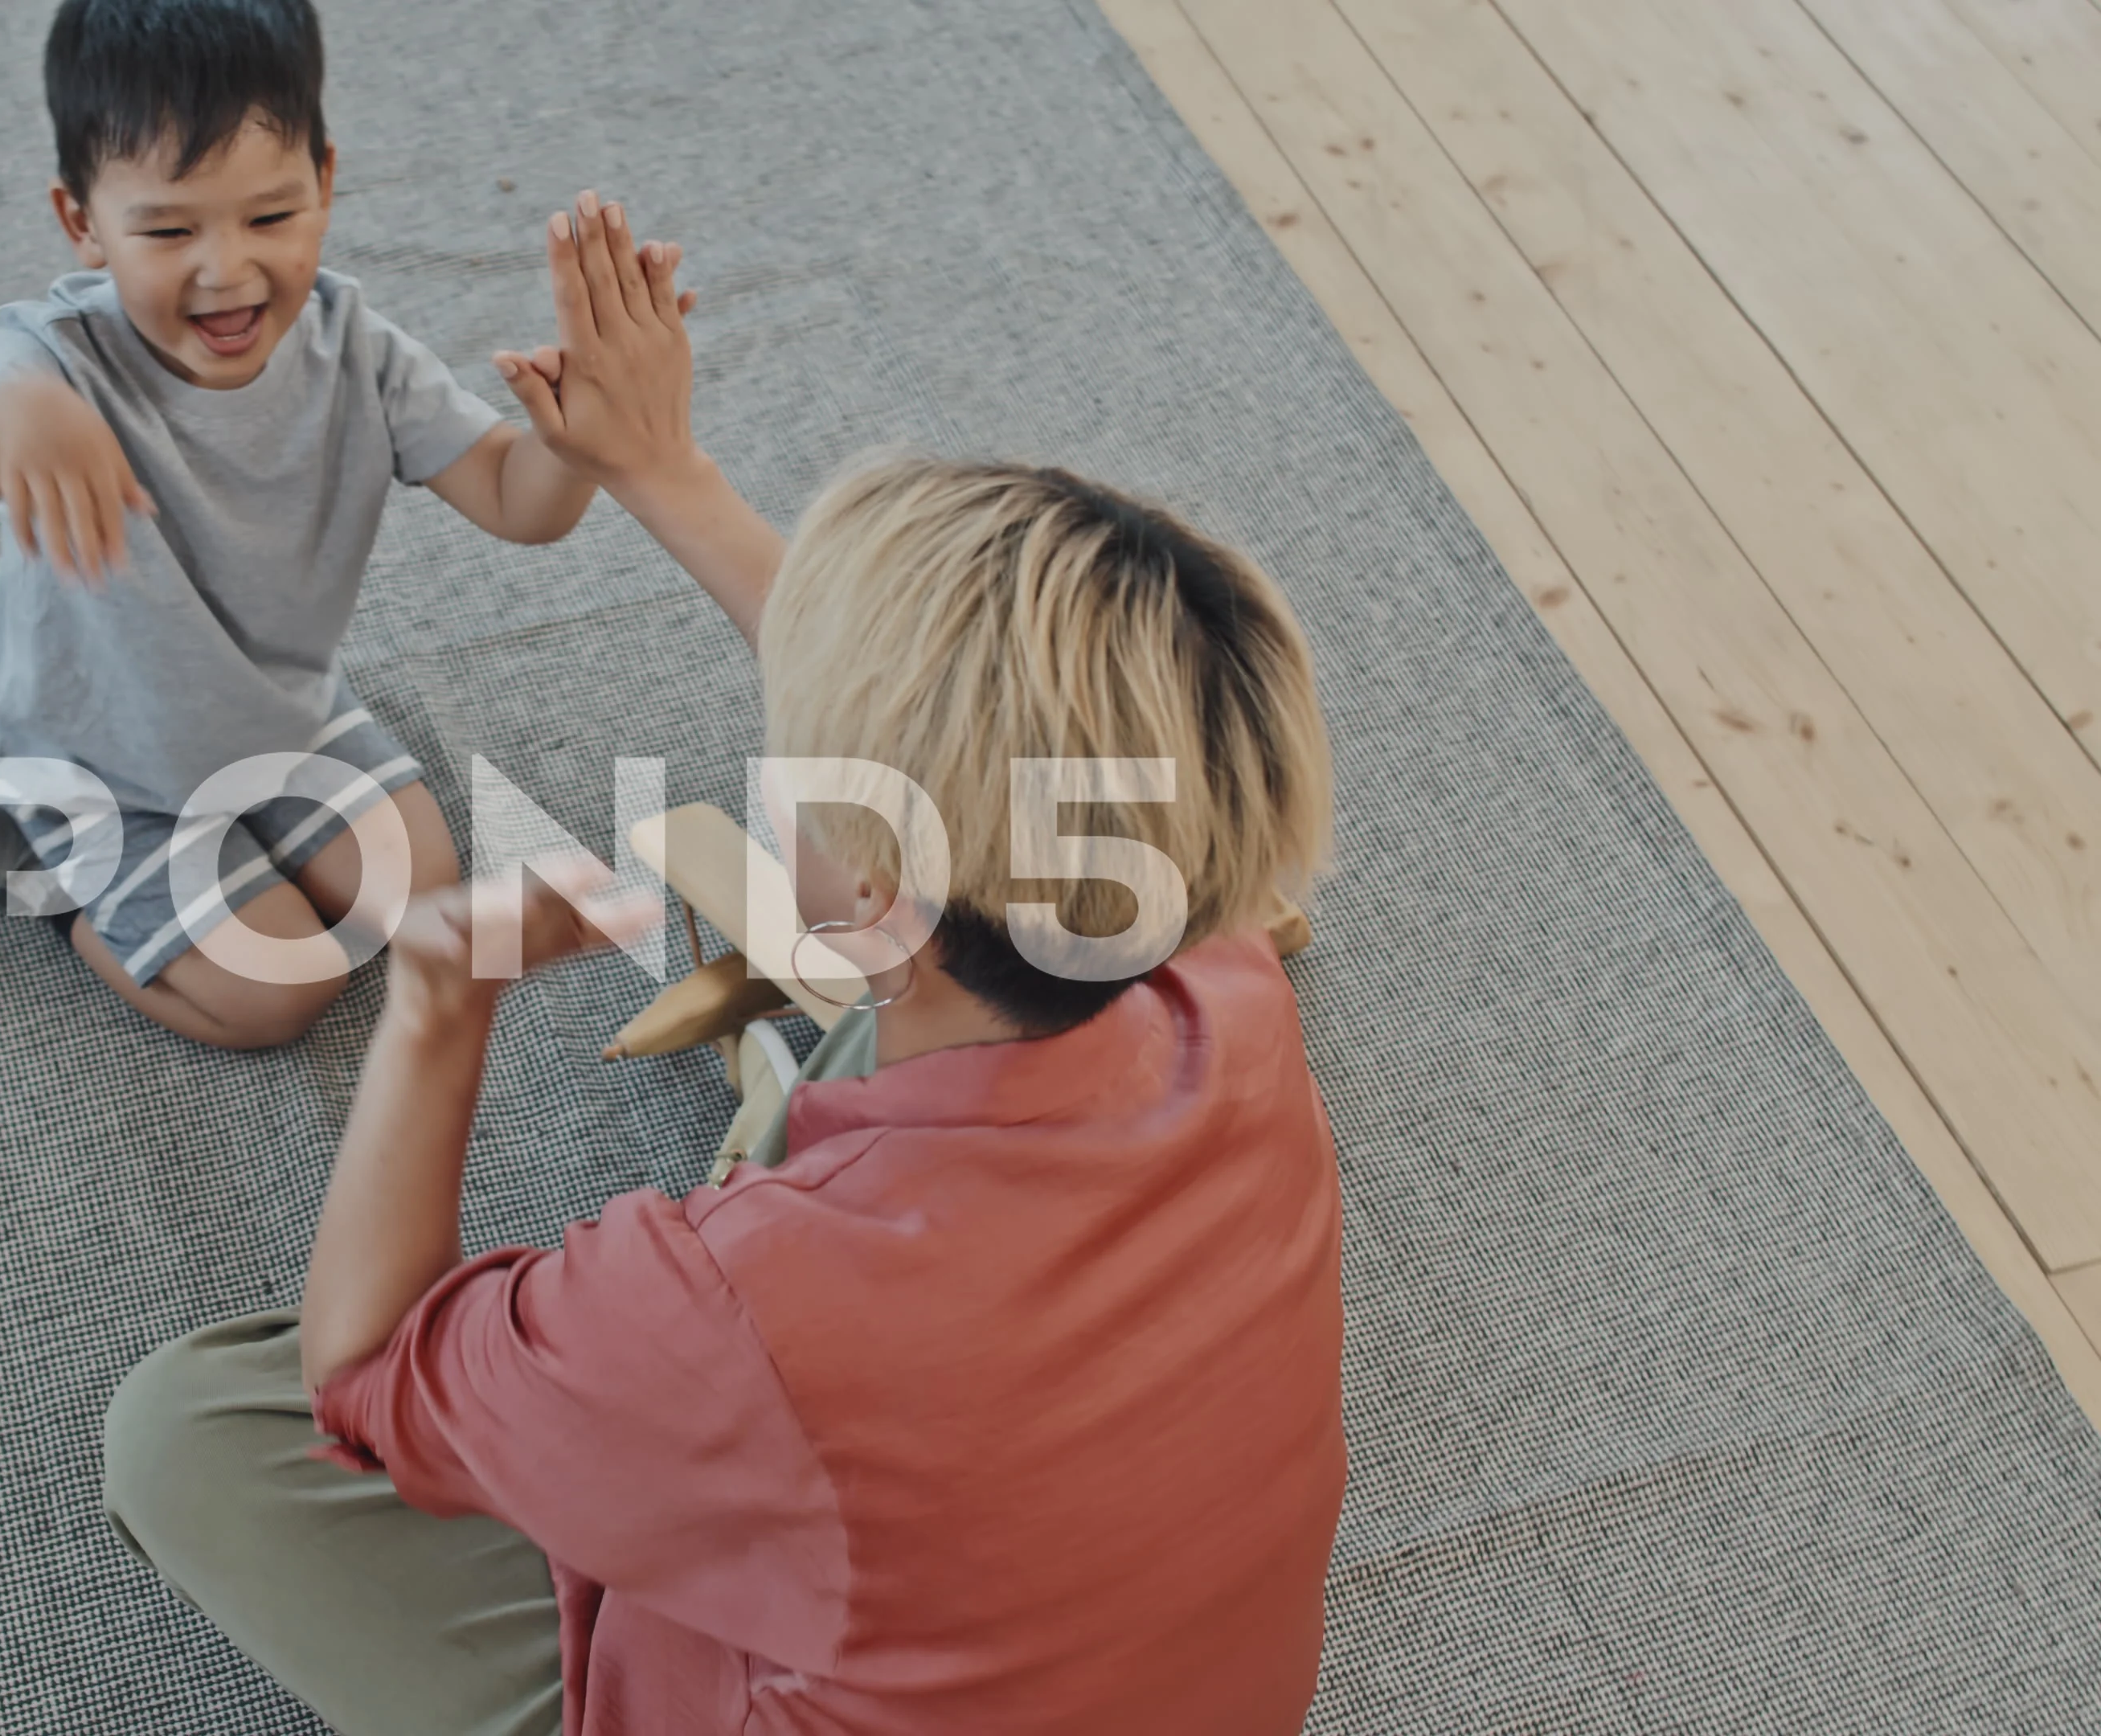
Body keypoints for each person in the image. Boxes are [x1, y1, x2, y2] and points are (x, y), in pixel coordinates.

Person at [99, 196, 1347, 1733]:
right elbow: (971, 763)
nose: (779, 767)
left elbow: (366, 1386)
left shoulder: (723, 1304)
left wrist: (436, 1004)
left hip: (785, 1410)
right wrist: (661, 470)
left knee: (189, 1429)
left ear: (882, 866)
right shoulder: (1210, 979)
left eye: (798, 757)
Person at [0, 0, 678, 1048]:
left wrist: (575, 444)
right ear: (81, 221)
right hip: (96, 761)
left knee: (421, 888)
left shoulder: (354, 344)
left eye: (270, 218)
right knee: (281, 991)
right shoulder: (52, 363)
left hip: (281, 714)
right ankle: (67, 895)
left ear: (324, 179)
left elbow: (512, 500)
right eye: (170, 230)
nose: (228, 271)